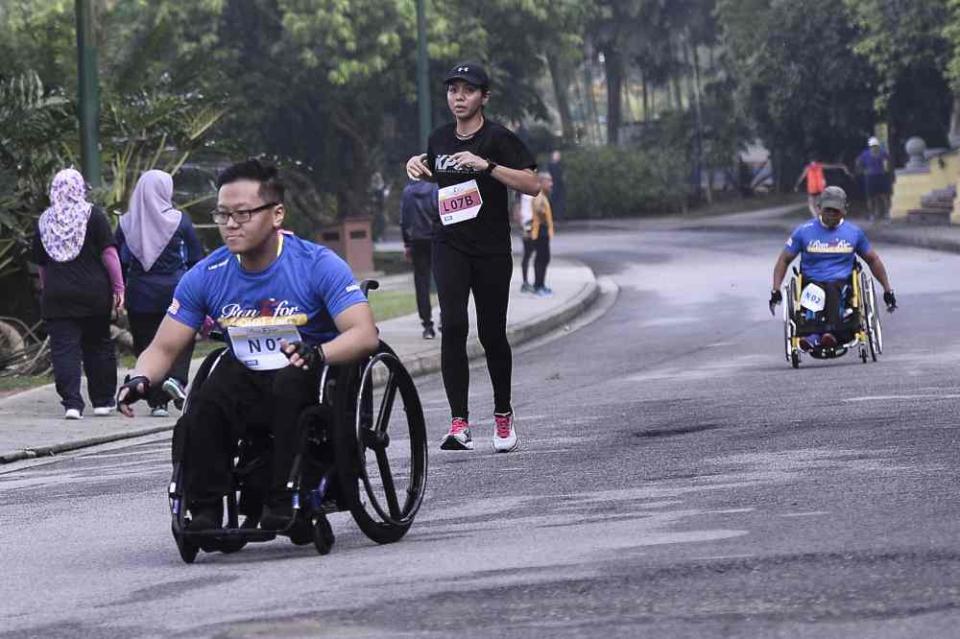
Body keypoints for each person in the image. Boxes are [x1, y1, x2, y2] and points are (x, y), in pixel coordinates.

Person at [116, 159, 379, 532]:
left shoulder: (317, 264)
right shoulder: (206, 275)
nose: (230, 224)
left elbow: (363, 333)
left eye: (242, 213)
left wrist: (318, 353)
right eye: (222, 214)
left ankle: (283, 496)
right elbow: (163, 348)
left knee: (289, 382)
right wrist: (139, 379)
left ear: (276, 214)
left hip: (310, 371)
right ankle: (205, 506)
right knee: (205, 401)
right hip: (246, 374)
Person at [405, 61, 540, 453]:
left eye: (467, 90)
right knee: (453, 325)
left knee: (491, 334)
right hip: (449, 244)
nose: (458, 97)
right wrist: (419, 166)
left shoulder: (498, 138)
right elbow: (441, 174)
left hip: (492, 249)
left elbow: (532, 184)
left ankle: (502, 414)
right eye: (452, 90)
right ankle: (459, 423)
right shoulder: (440, 137)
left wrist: (489, 166)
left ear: (484, 97)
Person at [33, 168, 124, 420]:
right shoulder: (93, 215)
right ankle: (103, 400)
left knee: (64, 350)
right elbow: (109, 255)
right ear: (79, 189)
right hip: (93, 293)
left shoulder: (44, 221)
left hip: (57, 295)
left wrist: (48, 288)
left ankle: (72, 404)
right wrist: (119, 288)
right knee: (98, 345)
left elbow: (42, 266)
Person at [115, 170, 204, 417]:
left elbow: (118, 262)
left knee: (146, 345)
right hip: (175, 292)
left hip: (139, 293)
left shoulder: (125, 223)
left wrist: (119, 291)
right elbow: (197, 258)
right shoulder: (179, 220)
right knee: (183, 339)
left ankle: (157, 403)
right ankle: (176, 379)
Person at [769, 186, 897, 351]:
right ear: (819, 208)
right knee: (814, 292)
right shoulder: (803, 232)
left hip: (842, 282)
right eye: (827, 209)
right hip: (811, 281)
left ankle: (833, 335)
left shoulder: (853, 233)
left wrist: (887, 289)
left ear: (844, 211)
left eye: (835, 210)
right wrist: (776, 289)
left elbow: (873, 260)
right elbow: (784, 260)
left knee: (833, 289)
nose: (830, 214)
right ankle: (813, 336)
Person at [400, 179, 438, 339]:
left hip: (417, 240)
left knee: (421, 282)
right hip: (437, 238)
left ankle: (427, 325)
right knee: (443, 279)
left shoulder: (408, 191)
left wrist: (407, 243)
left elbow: (405, 220)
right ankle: (445, 317)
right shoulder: (436, 187)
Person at [855, 137, 894, 221]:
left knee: (884, 196)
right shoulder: (865, 154)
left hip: (881, 176)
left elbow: (889, 161)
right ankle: (873, 214)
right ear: (870, 146)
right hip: (870, 177)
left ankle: (887, 213)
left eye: (875, 146)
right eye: (872, 146)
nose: (874, 147)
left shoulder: (882, 153)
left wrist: (886, 170)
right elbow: (858, 162)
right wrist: (863, 170)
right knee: (871, 197)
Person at [530, 171, 555, 297]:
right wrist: (542, 213)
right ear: (542, 182)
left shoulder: (544, 195)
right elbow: (538, 209)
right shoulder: (539, 195)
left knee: (544, 258)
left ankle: (541, 285)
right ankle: (538, 286)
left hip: (543, 232)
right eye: (549, 181)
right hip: (539, 231)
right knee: (541, 259)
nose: (551, 184)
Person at [518, 191, 536, 293]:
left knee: (535, 253)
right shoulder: (521, 193)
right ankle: (525, 282)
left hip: (535, 223)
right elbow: (518, 210)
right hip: (527, 224)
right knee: (527, 253)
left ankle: (537, 282)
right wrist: (523, 227)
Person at [547, 150, 566, 219]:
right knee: (553, 201)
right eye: (557, 155)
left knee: (560, 202)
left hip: (559, 186)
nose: (558, 157)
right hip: (553, 186)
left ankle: (559, 217)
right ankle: (552, 216)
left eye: (559, 156)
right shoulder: (550, 165)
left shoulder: (559, 165)